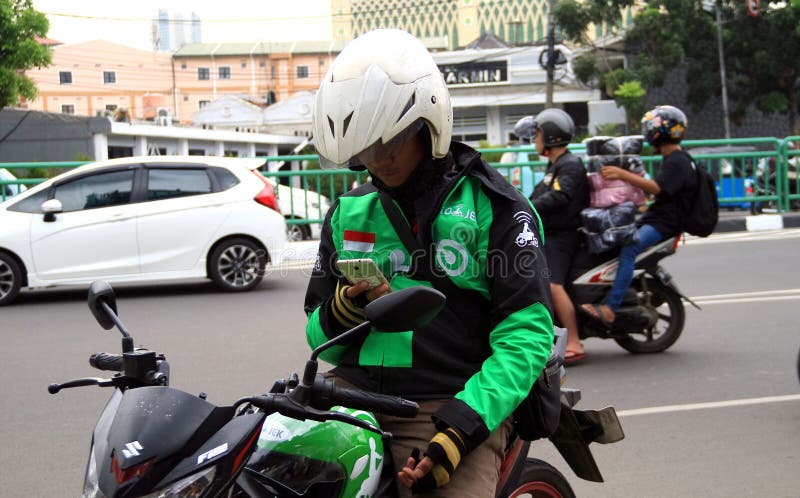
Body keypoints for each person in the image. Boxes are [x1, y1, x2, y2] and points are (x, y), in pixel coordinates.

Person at [304, 28, 554, 497]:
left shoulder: (497, 208)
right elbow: (318, 337)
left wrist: (461, 427)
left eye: (390, 142)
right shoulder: (348, 213)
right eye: (364, 149)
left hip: (449, 401)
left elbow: (527, 334)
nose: (378, 160)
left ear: (426, 124)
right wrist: (343, 308)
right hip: (349, 395)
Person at [581, 105, 697, 326]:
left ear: (663, 131)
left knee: (629, 249)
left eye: (651, 127)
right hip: (659, 218)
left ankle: (610, 308)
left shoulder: (677, 160)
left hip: (664, 224)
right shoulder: (676, 158)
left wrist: (622, 174)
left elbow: (657, 188)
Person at [526, 109, 590, 364]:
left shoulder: (570, 165)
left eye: (538, 134)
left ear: (550, 137)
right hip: (549, 233)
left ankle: (574, 340)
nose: (535, 140)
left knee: (552, 285)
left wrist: (528, 208)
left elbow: (560, 197)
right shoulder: (556, 166)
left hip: (563, 236)